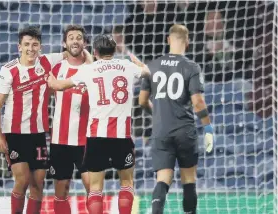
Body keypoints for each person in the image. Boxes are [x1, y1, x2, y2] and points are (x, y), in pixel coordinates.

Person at [0, 25, 92, 214]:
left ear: (40, 47)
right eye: (27, 44)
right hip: (14, 134)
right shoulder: (8, 70)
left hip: (38, 134)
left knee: (38, 185)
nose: (31, 48)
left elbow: (77, 51)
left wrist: (88, 55)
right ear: (19, 47)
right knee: (21, 180)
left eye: (35, 44)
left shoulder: (47, 61)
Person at [47, 34, 150, 214]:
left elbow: (59, 86)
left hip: (95, 137)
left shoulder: (89, 70)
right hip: (121, 136)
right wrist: (140, 64)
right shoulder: (127, 66)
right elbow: (147, 72)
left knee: (95, 188)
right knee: (126, 184)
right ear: (114, 50)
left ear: (95, 52)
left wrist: (50, 80)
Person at [138, 24, 214, 214]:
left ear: (168, 40)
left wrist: (155, 112)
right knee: (188, 180)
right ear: (187, 43)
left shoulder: (152, 66)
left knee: (163, 179)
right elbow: (198, 102)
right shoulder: (191, 67)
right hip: (184, 131)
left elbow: (142, 101)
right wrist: (208, 128)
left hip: (161, 130)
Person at [49, 25, 90, 214]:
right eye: (71, 37)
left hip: (87, 140)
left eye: (79, 37)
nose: (75, 40)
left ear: (85, 43)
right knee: (61, 192)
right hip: (60, 140)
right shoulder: (57, 67)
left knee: (93, 189)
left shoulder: (94, 69)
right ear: (64, 43)